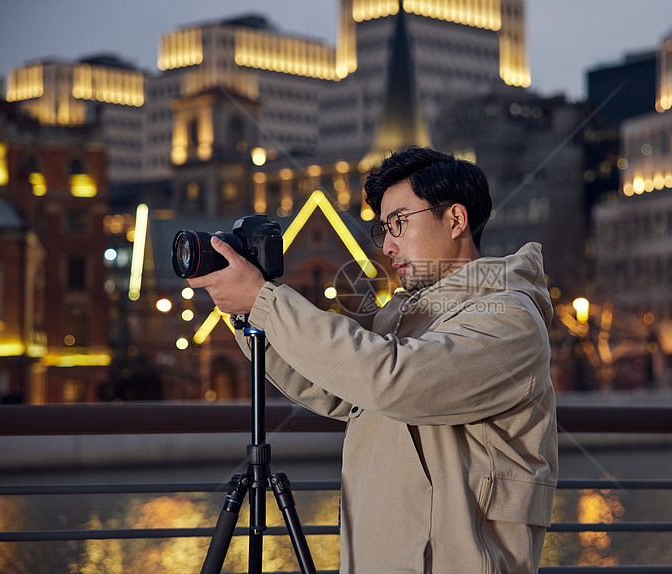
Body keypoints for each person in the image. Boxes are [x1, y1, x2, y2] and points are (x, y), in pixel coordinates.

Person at [188, 146, 559, 573]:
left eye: (399, 223)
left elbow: (395, 380)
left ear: (456, 220)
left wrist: (267, 301)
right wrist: (247, 313)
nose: (387, 245)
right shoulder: (408, 315)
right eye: (383, 229)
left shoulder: (510, 318)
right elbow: (333, 389)